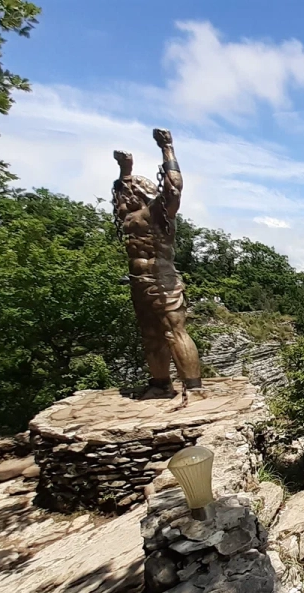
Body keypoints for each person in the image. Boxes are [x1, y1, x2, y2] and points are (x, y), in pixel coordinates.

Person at [112, 129, 202, 398]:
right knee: (150, 335)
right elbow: (118, 194)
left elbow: (174, 187)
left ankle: (193, 387)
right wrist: (124, 171)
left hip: (161, 277)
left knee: (174, 330)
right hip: (138, 280)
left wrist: (167, 148)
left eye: (128, 191)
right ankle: (160, 383)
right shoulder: (129, 217)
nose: (121, 198)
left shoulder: (157, 211)